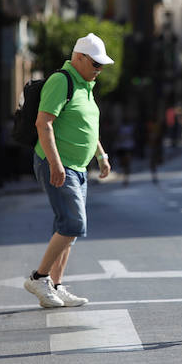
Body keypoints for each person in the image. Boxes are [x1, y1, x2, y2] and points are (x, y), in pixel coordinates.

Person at [23, 33, 113, 308]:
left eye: (102, 65)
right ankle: (38, 278)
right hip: (59, 164)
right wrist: (55, 163)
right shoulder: (61, 81)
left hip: (77, 167)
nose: (99, 70)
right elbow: (44, 123)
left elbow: (86, 126)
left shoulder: (84, 85)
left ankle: (56, 284)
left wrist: (101, 155)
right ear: (79, 58)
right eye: (95, 64)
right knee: (74, 223)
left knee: (67, 228)